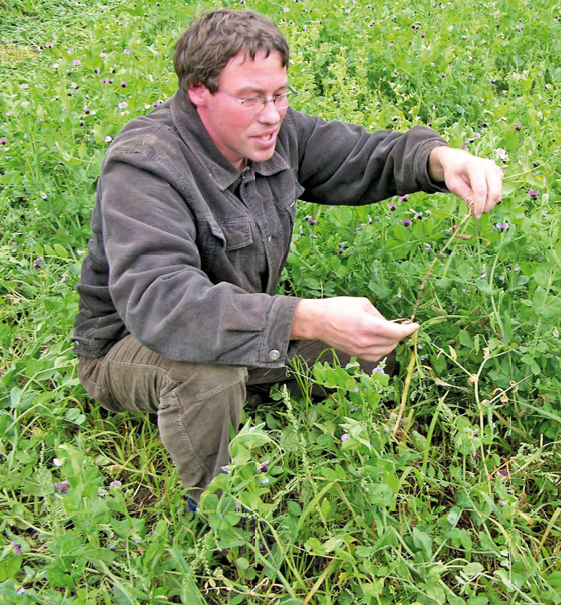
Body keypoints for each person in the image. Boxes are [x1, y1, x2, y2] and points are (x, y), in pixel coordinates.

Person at [72, 9, 503, 505]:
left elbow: (360, 156)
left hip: (235, 324)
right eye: (250, 98)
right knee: (207, 374)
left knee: (367, 347)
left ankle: (271, 398)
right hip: (128, 346)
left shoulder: (275, 133)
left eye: (279, 95)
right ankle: (219, 511)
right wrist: (307, 317)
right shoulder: (145, 165)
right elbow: (164, 304)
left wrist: (442, 159)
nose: (272, 114)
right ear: (198, 90)